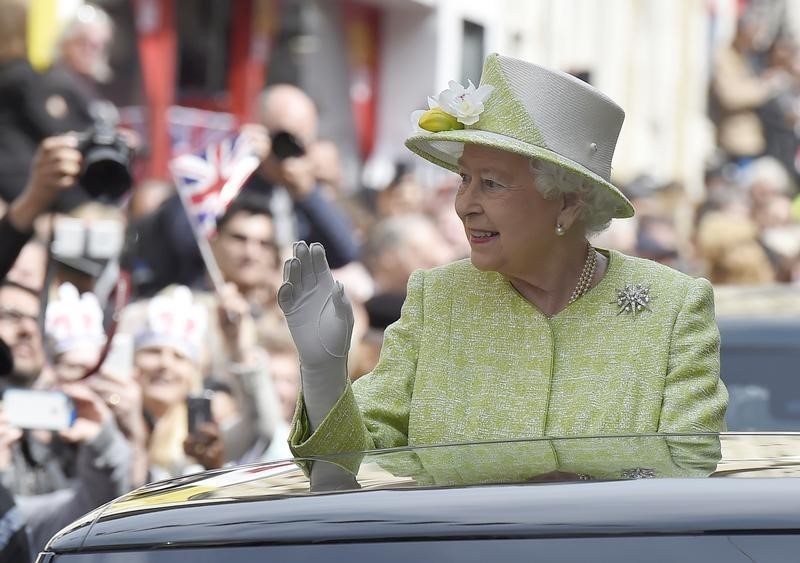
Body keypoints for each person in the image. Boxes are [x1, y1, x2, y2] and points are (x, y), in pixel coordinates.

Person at [279, 54, 728, 477]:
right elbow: (344, 464)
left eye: (491, 184)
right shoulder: (439, 299)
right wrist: (323, 371)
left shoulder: (673, 308)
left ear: (568, 204)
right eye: (463, 179)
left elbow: (689, 472)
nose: (464, 205)